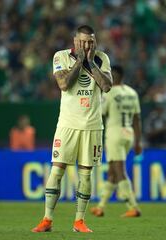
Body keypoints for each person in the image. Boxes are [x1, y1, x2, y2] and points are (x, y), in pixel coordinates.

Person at [32, 25, 113, 233]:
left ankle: (79, 222)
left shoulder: (102, 58)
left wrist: (90, 62)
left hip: (92, 126)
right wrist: (79, 60)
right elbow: (64, 84)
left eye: (90, 41)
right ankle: (47, 219)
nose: (87, 45)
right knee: (56, 170)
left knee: (86, 175)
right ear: (75, 41)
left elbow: (106, 86)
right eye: (83, 41)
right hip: (67, 124)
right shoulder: (61, 57)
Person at [90, 65, 142, 218]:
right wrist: (138, 141)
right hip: (129, 134)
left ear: (115, 75)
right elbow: (137, 118)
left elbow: (101, 113)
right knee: (113, 171)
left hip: (115, 134)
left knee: (119, 170)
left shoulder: (109, 92)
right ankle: (100, 207)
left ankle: (133, 206)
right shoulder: (132, 93)